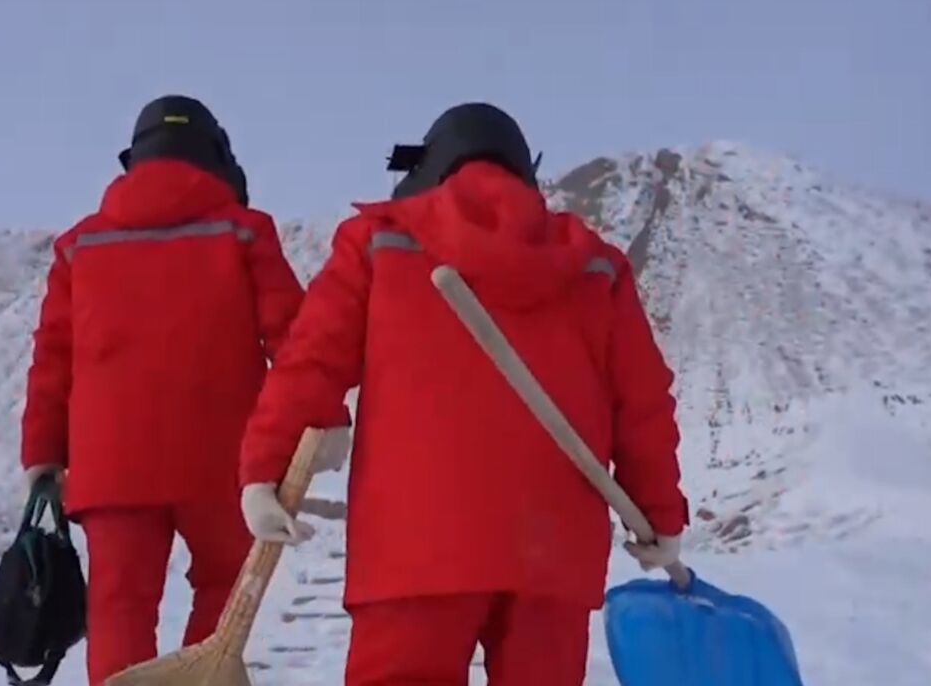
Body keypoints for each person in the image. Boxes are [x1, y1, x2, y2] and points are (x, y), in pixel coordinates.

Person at [239, 102, 689, 685]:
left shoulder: (380, 242)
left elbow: (311, 362)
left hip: (413, 548)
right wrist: (659, 513)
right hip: (553, 555)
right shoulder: (595, 268)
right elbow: (642, 402)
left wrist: (264, 468)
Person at [19, 94, 320, 685]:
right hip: (220, 458)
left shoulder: (80, 246)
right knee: (223, 593)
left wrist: (43, 455)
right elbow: (296, 340)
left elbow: (52, 360)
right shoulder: (243, 230)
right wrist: (309, 418)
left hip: (112, 467)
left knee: (120, 606)